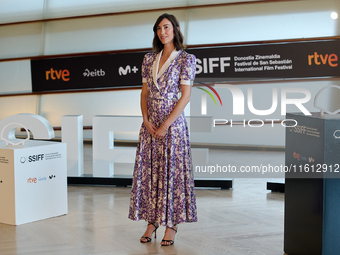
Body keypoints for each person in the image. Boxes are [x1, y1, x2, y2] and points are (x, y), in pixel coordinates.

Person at [128, 13, 198, 246]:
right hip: (150, 125)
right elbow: (144, 93)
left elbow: (185, 96)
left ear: (176, 29)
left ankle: (171, 224)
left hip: (172, 126)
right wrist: (146, 121)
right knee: (151, 174)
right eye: (158, 28)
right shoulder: (149, 59)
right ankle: (152, 221)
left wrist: (166, 125)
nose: (162, 32)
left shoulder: (186, 59)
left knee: (172, 174)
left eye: (166, 27)